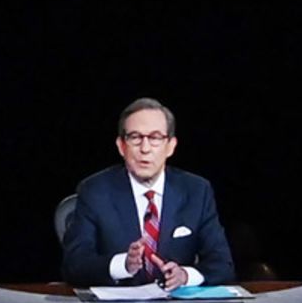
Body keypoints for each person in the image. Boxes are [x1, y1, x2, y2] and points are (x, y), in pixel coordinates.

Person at [59, 98, 235, 288]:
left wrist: (184, 276)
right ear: (121, 146)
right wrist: (123, 265)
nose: (145, 148)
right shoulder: (95, 191)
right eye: (135, 137)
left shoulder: (196, 191)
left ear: (171, 146)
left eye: (155, 138)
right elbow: (74, 266)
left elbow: (223, 265)